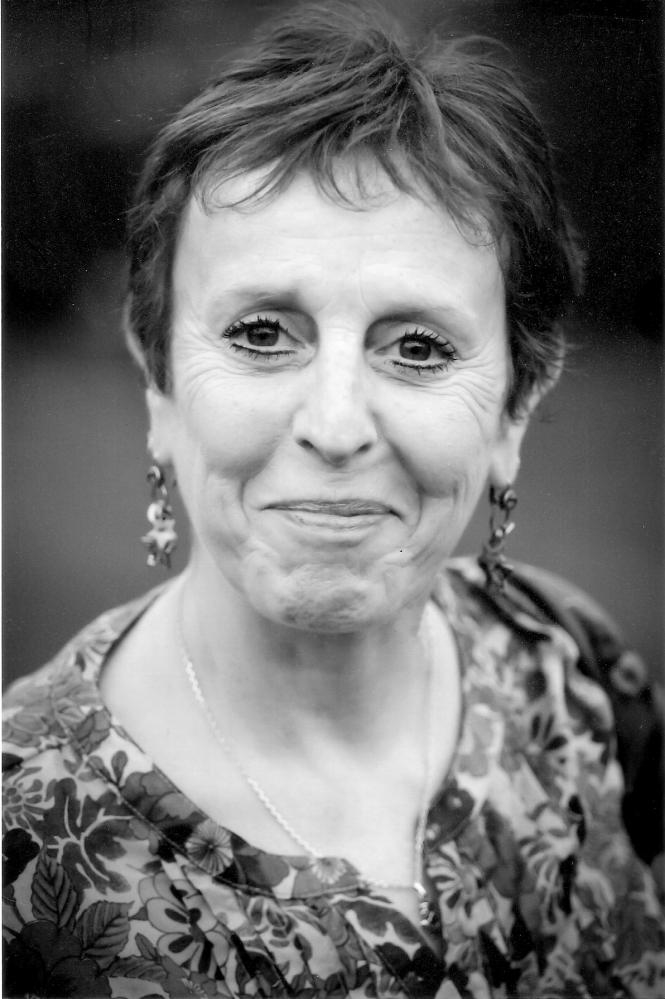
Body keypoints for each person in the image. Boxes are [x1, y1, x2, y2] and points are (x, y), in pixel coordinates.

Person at [3, 5, 663, 997]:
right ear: (159, 386)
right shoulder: (20, 847)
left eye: (419, 347)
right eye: (261, 333)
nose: (336, 423)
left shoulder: (573, 677)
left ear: (515, 407)